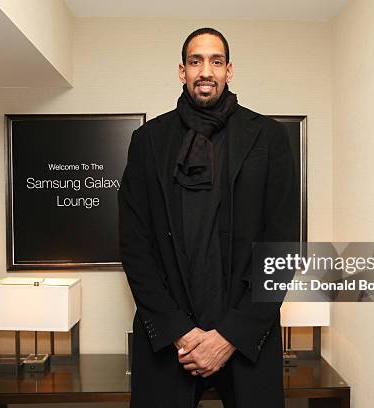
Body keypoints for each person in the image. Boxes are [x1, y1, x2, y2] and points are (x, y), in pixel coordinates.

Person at [118, 27, 299, 408]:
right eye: (196, 61)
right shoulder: (148, 141)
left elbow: (281, 248)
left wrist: (230, 336)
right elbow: (135, 246)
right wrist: (181, 333)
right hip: (170, 341)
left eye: (216, 61)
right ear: (182, 71)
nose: (206, 71)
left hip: (247, 338)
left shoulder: (269, 137)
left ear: (229, 70)